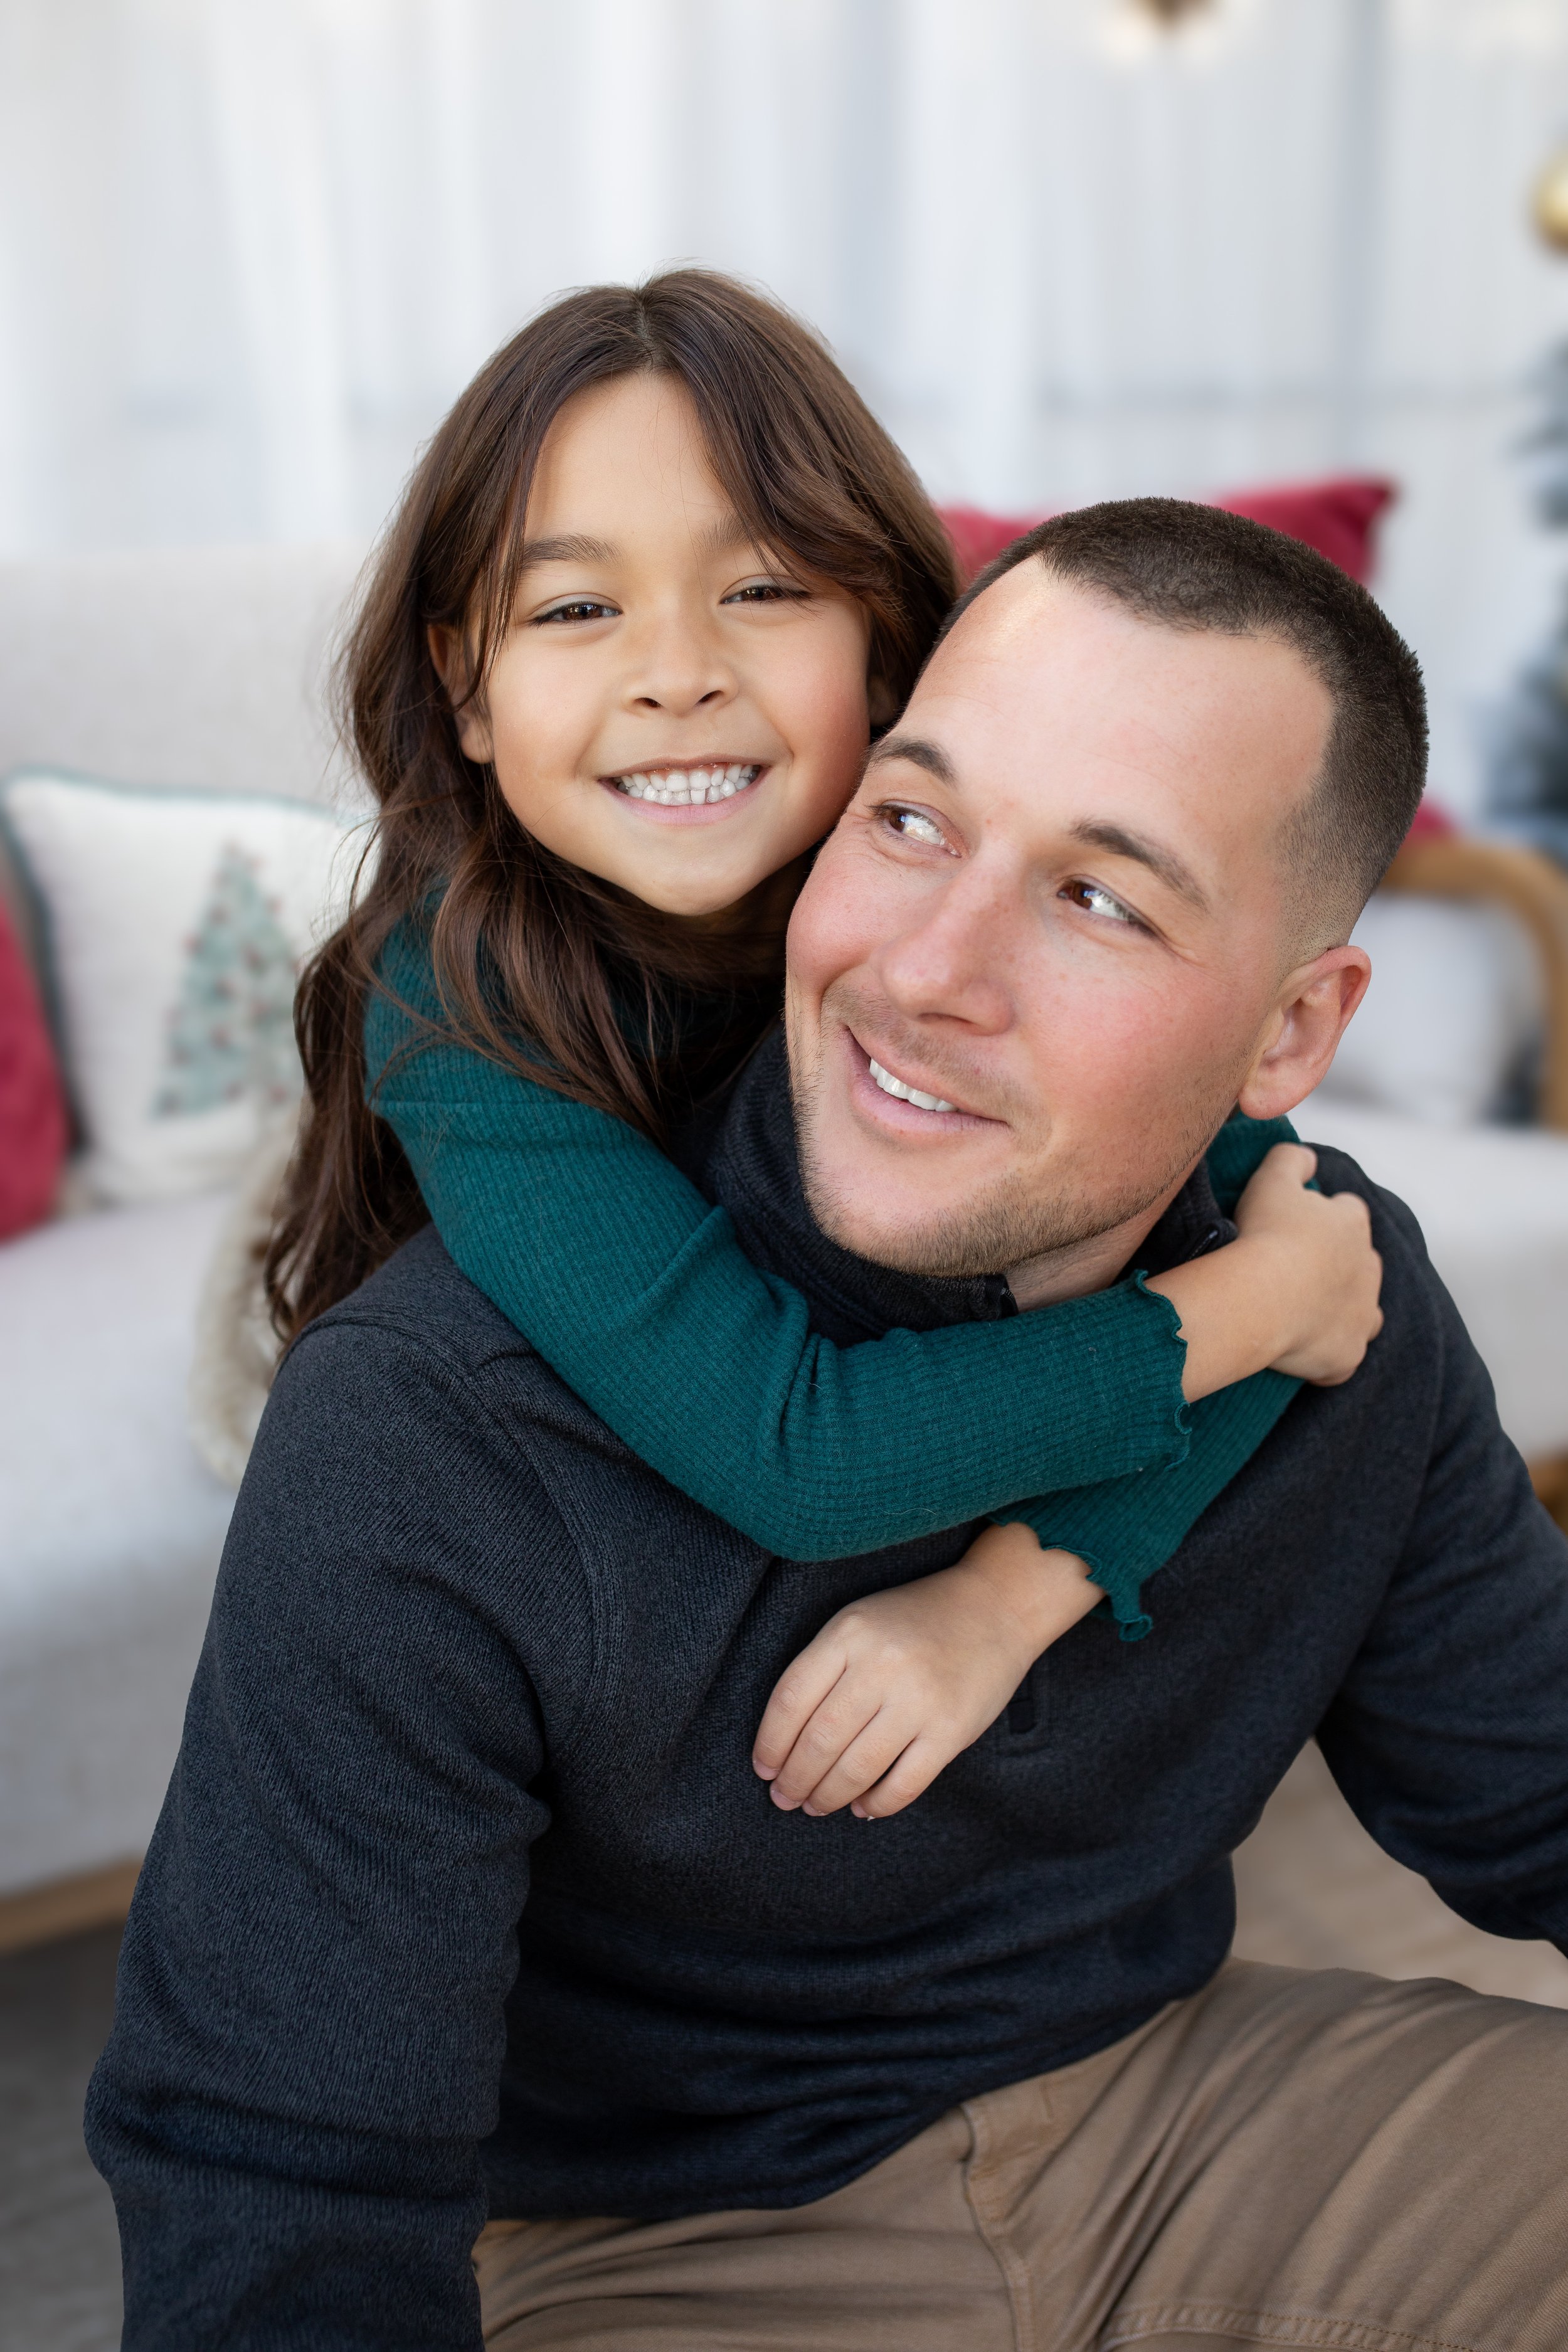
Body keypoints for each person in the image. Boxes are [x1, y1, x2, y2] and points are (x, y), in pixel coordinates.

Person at [90, 497, 1568, 2351]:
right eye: (912, 818)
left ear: (1289, 1033)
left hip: (1197, 2111)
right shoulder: (436, 1424)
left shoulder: (1320, 1284)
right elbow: (278, 2193)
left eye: (1101, 896)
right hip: (653, 2240)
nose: (928, 971)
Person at [266, 270, 1379, 1820]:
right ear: (464, 687)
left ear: (884, 651)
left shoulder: (910, 900)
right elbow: (804, 1455)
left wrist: (1013, 1594)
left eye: (764, 588)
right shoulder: (459, 1003)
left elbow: (1301, 1245)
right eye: (578, 607)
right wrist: (1252, 1307)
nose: (674, 674)